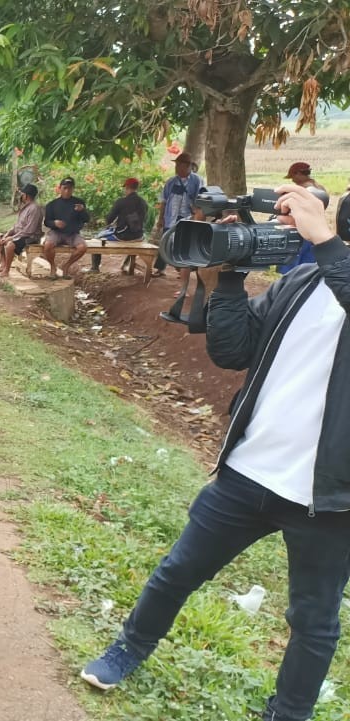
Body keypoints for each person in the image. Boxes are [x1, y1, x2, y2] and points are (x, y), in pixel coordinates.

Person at [81, 184, 350, 721]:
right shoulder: (302, 280)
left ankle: (290, 712)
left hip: (332, 498)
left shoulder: (329, 265)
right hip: (249, 472)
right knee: (178, 570)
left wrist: (324, 241)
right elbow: (233, 351)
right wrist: (225, 274)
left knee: (312, 617)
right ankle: (129, 649)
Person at [153, 152, 203, 276]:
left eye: (179, 165)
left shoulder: (197, 181)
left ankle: (182, 269)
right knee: (165, 242)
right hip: (170, 216)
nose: (176, 168)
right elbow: (163, 201)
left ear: (187, 167)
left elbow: (201, 199)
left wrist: (197, 215)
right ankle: (160, 268)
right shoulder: (171, 182)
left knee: (184, 243)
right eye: (176, 165)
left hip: (187, 217)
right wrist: (161, 219)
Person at [91, 177, 148, 273]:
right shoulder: (143, 203)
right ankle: (125, 264)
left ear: (127, 187)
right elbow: (144, 220)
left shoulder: (121, 201)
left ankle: (95, 268)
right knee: (134, 242)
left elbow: (109, 219)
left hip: (123, 236)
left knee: (97, 238)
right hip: (139, 236)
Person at [277, 163, 327, 273]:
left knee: (291, 268)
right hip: (314, 231)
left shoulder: (303, 190)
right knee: (308, 267)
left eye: (293, 176)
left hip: (300, 231)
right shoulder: (319, 188)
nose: (293, 180)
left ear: (299, 173)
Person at [42, 177, 90, 279]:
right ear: (60, 188)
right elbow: (47, 222)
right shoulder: (52, 204)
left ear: (73, 189)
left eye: (70, 188)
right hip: (56, 232)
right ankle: (53, 267)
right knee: (47, 245)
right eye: (65, 188)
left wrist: (82, 211)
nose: (67, 191)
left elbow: (86, 219)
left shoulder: (79, 203)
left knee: (83, 247)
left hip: (72, 233)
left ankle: (66, 266)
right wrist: (55, 223)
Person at [0, 183, 45, 278]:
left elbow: (29, 230)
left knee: (10, 245)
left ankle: (6, 270)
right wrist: (8, 233)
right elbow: (17, 225)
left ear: (26, 195)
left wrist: (11, 238)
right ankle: (3, 265)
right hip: (20, 235)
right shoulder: (25, 207)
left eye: (22, 194)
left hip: (30, 237)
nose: (20, 196)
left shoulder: (34, 209)